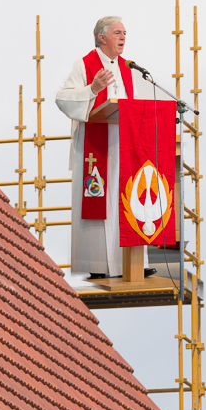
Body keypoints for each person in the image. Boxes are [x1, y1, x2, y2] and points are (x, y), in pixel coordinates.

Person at [55, 16, 157, 279]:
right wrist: (93, 88)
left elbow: (142, 103)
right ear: (102, 37)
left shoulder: (130, 68)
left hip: (126, 144)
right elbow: (63, 98)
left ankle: (134, 263)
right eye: (117, 32)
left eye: (125, 33)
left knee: (130, 197)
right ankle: (98, 265)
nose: (123, 37)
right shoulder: (85, 65)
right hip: (96, 146)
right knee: (99, 201)